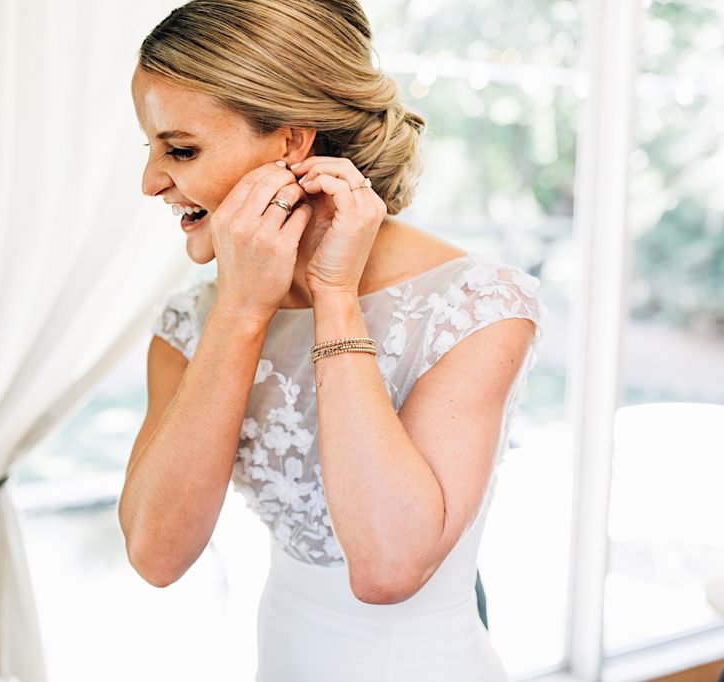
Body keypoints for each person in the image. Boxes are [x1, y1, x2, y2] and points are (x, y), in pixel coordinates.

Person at [117, 1, 544, 680]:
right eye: (152, 149)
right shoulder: (189, 323)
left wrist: (334, 297)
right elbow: (156, 555)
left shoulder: (476, 308)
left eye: (181, 149)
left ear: (289, 144)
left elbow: (388, 566)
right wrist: (239, 313)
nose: (151, 182)